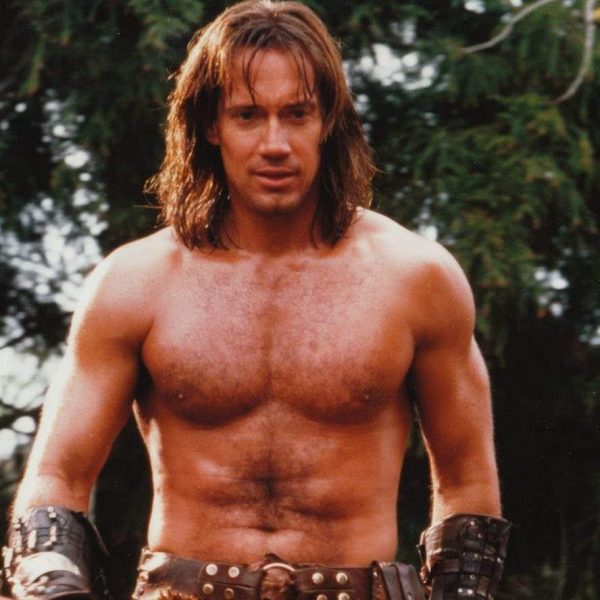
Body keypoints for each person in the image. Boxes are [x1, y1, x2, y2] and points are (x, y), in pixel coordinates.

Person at [2, 1, 511, 599]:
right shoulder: (135, 283)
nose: (275, 143)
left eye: (296, 114)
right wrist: (54, 587)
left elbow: (468, 488)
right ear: (210, 125)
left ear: (328, 120)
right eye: (248, 115)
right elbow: (55, 480)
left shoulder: (415, 278)